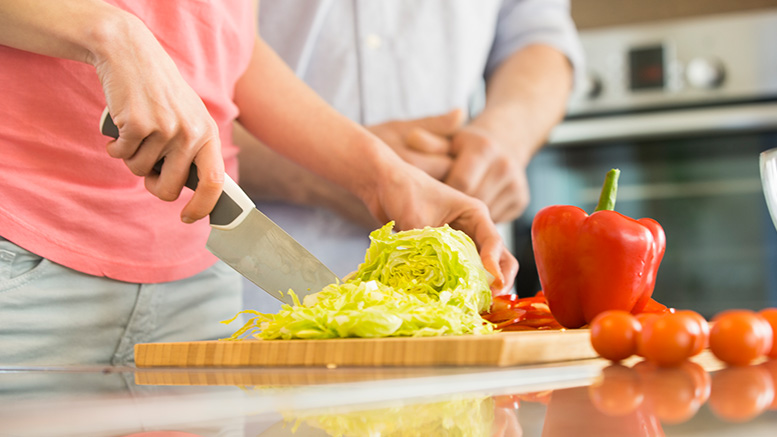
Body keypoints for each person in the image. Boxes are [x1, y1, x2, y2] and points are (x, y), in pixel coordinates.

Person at [0, 0, 516, 366]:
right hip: (24, 259)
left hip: (200, 280)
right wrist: (111, 32)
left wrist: (383, 174)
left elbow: (226, 42)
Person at [236, 0, 583, 310]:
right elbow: (208, 55)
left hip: (450, 312)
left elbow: (537, 30)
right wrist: (357, 172)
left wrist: (505, 136)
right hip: (251, 291)